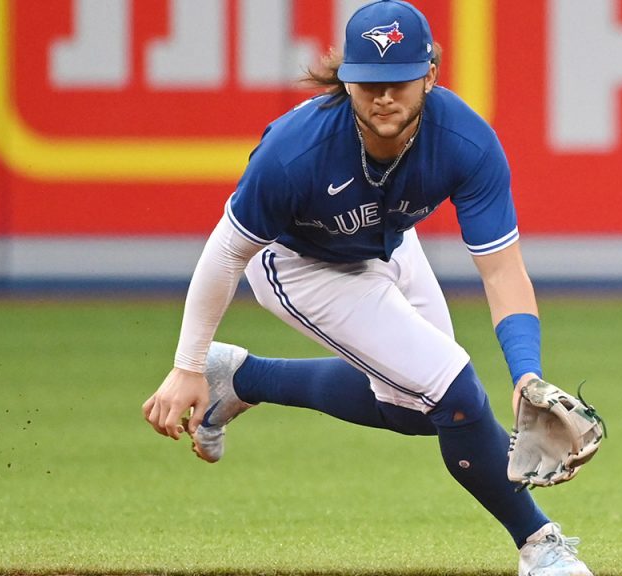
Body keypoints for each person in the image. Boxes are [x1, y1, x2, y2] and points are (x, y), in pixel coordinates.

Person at [143, 1, 595, 574]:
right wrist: (185, 364)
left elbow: (503, 271)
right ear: (348, 78)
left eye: (400, 80)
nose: (384, 96)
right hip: (297, 264)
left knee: (418, 410)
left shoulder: (466, 142)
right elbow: (227, 250)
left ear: (430, 73)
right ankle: (539, 546)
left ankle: (242, 377)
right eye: (369, 81)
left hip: (386, 243)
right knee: (451, 391)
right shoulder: (294, 149)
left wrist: (526, 372)